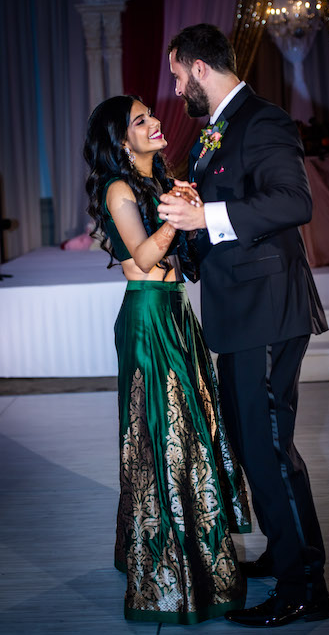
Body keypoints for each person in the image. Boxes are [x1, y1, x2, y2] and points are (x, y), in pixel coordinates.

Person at [157, 24, 329, 628]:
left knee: (269, 451)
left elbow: (293, 202)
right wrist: (192, 217)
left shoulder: (264, 120)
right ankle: (288, 556)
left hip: (267, 310)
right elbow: (222, 214)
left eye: (179, 78)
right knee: (254, 446)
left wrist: (208, 211)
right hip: (239, 311)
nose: (178, 91)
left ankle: (304, 587)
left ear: (200, 69)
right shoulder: (219, 129)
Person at [83, 94, 251, 625]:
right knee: (164, 440)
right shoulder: (117, 188)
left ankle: (198, 559)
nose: (155, 122)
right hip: (149, 320)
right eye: (140, 121)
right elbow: (145, 255)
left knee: (192, 434)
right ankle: (169, 577)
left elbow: (180, 257)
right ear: (121, 139)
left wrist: (185, 208)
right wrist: (179, 219)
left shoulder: (155, 183)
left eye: (150, 115)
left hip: (176, 313)